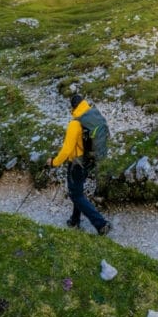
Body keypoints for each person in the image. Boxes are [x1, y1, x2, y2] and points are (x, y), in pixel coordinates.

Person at [46, 94, 111, 235]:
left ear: (73, 108)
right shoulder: (93, 114)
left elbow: (66, 150)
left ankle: (101, 224)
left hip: (76, 164)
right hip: (89, 161)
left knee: (75, 195)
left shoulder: (75, 124)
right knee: (78, 192)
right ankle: (75, 221)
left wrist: (53, 162)